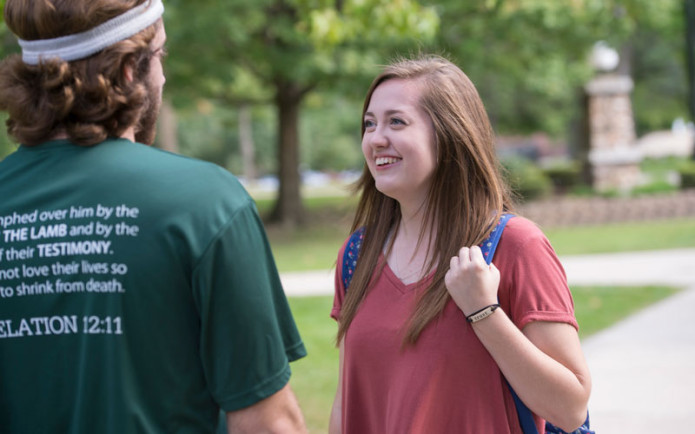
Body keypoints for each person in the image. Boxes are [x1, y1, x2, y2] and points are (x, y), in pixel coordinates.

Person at [0, 1, 307, 433]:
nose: (163, 75)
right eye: (160, 56)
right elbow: (267, 424)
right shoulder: (204, 202)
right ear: (129, 68)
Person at [329, 55, 591, 434]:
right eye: (369, 124)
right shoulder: (357, 255)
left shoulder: (516, 247)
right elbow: (346, 404)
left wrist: (484, 311)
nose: (375, 138)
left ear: (450, 133)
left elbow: (570, 410)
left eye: (396, 122)